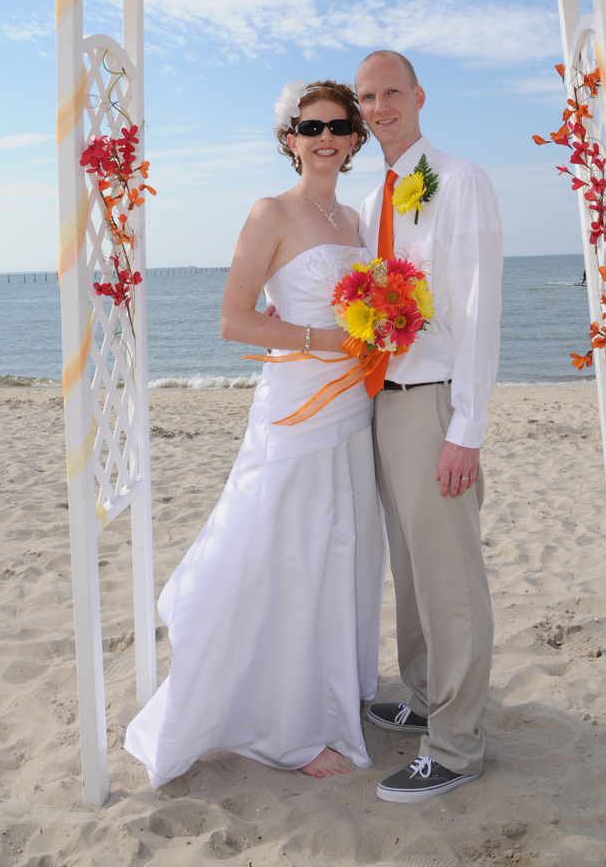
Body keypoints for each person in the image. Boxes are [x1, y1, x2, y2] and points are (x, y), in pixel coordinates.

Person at [124, 80, 386, 785]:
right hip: (296, 407)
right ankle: (287, 727)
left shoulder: (354, 221)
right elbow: (233, 320)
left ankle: (331, 694)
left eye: (338, 126)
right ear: (289, 139)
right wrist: (321, 339)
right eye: (311, 127)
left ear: (355, 138)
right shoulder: (270, 212)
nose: (325, 138)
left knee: (341, 552)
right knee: (288, 552)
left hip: (352, 408)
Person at [355, 51, 503, 803]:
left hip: (435, 399)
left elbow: (478, 310)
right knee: (411, 570)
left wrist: (466, 428)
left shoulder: (461, 181)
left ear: (418, 96)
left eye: (391, 92)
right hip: (384, 400)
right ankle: (423, 696)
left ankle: (455, 745)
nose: (379, 106)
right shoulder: (374, 195)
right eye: (366, 96)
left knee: (449, 580)